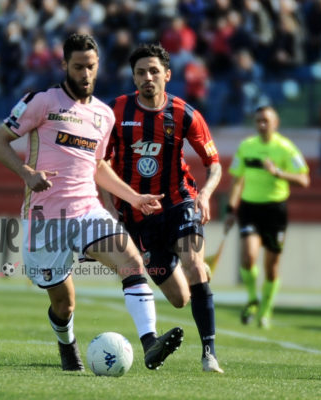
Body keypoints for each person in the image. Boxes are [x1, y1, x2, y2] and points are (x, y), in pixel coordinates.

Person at [0, 33, 183, 372]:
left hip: (87, 210)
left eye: (91, 66)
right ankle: (67, 345)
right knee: (64, 305)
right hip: (45, 219)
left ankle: (150, 342)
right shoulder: (41, 102)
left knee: (131, 261)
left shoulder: (103, 115)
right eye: (78, 66)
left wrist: (133, 197)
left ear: (98, 65)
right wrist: (27, 173)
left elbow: (98, 165)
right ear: (65, 65)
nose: (85, 73)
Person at [102, 44, 224, 373]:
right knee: (180, 299)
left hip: (179, 202)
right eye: (141, 72)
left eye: (154, 71)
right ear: (133, 77)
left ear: (167, 75)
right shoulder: (115, 112)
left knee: (194, 266)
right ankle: (189, 266)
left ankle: (209, 354)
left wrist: (205, 194)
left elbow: (213, 164)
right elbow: (101, 162)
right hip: (138, 215)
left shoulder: (185, 114)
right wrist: (110, 204)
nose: (148, 77)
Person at [224, 106, 310, 329]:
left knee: (271, 267)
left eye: (266, 121)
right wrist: (231, 210)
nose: (262, 125)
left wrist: (278, 172)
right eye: (258, 121)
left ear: (276, 123)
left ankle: (266, 310)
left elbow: (304, 179)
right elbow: (237, 180)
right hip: (250, 209)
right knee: (248, 257)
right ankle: (253, 299)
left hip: (275, 211)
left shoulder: (285, 148)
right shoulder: (246, 146)